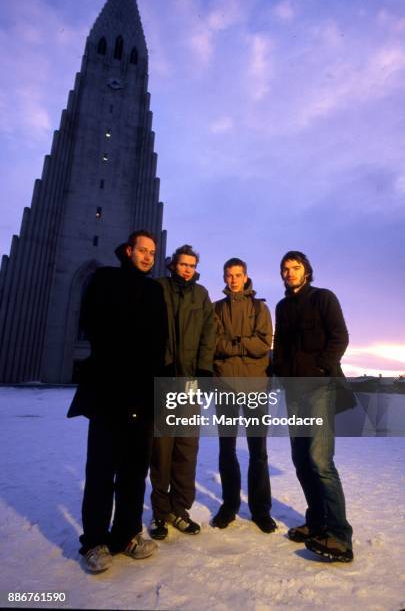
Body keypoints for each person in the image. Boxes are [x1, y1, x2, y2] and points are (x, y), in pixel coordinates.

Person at [67, 230, 167, 572]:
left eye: (152, 252)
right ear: (128, 251)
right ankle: (94, 542)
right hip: (109, 390)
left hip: (141, 393)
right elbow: (92, 322)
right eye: (142, 250)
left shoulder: (155, 291)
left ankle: (126, 534)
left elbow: (158, 341)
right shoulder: (105, 279)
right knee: (100, 470)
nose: (148, 256)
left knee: (134, 471)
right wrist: (123, 351)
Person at [273, 250, 353, 562]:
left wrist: (320, 368)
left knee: (320, 461)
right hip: (294, 392)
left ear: (306, 270)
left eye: (295, 267)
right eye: (285, 268)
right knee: (301, 461)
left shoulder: (323, 298)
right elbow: (280, 346)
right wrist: (281, 372)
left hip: (320, 387)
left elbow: (340, 337)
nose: (290, 272)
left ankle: (339, 536)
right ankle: (317, 522)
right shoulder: (282, 306)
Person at [149, 244, 216, 540]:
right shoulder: (158, 288)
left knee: (186, 449)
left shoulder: (201, 295)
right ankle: (160, 515)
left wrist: (203, 370)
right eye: (183, 264)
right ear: (173, 264)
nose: (187, 268)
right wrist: (157, 364)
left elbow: (208, 334)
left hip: (190, 383)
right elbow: (147, 330)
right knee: (161, 450)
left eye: (192, 264)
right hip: (163, 380)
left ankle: (180, 510)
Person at [212, 258, 276, 533]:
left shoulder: (260, 308)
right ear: (225, 277)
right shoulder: (216, 309)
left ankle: (261, 510)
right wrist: (240, 346)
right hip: (225, 385)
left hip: (255, 387)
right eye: (229, 275)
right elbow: (214, 343)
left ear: (246, 276)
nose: (234, 279)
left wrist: (233, 345)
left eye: (238, 275)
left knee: (257, 452)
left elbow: (263, 343)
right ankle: (229, 505)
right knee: (227, 450)